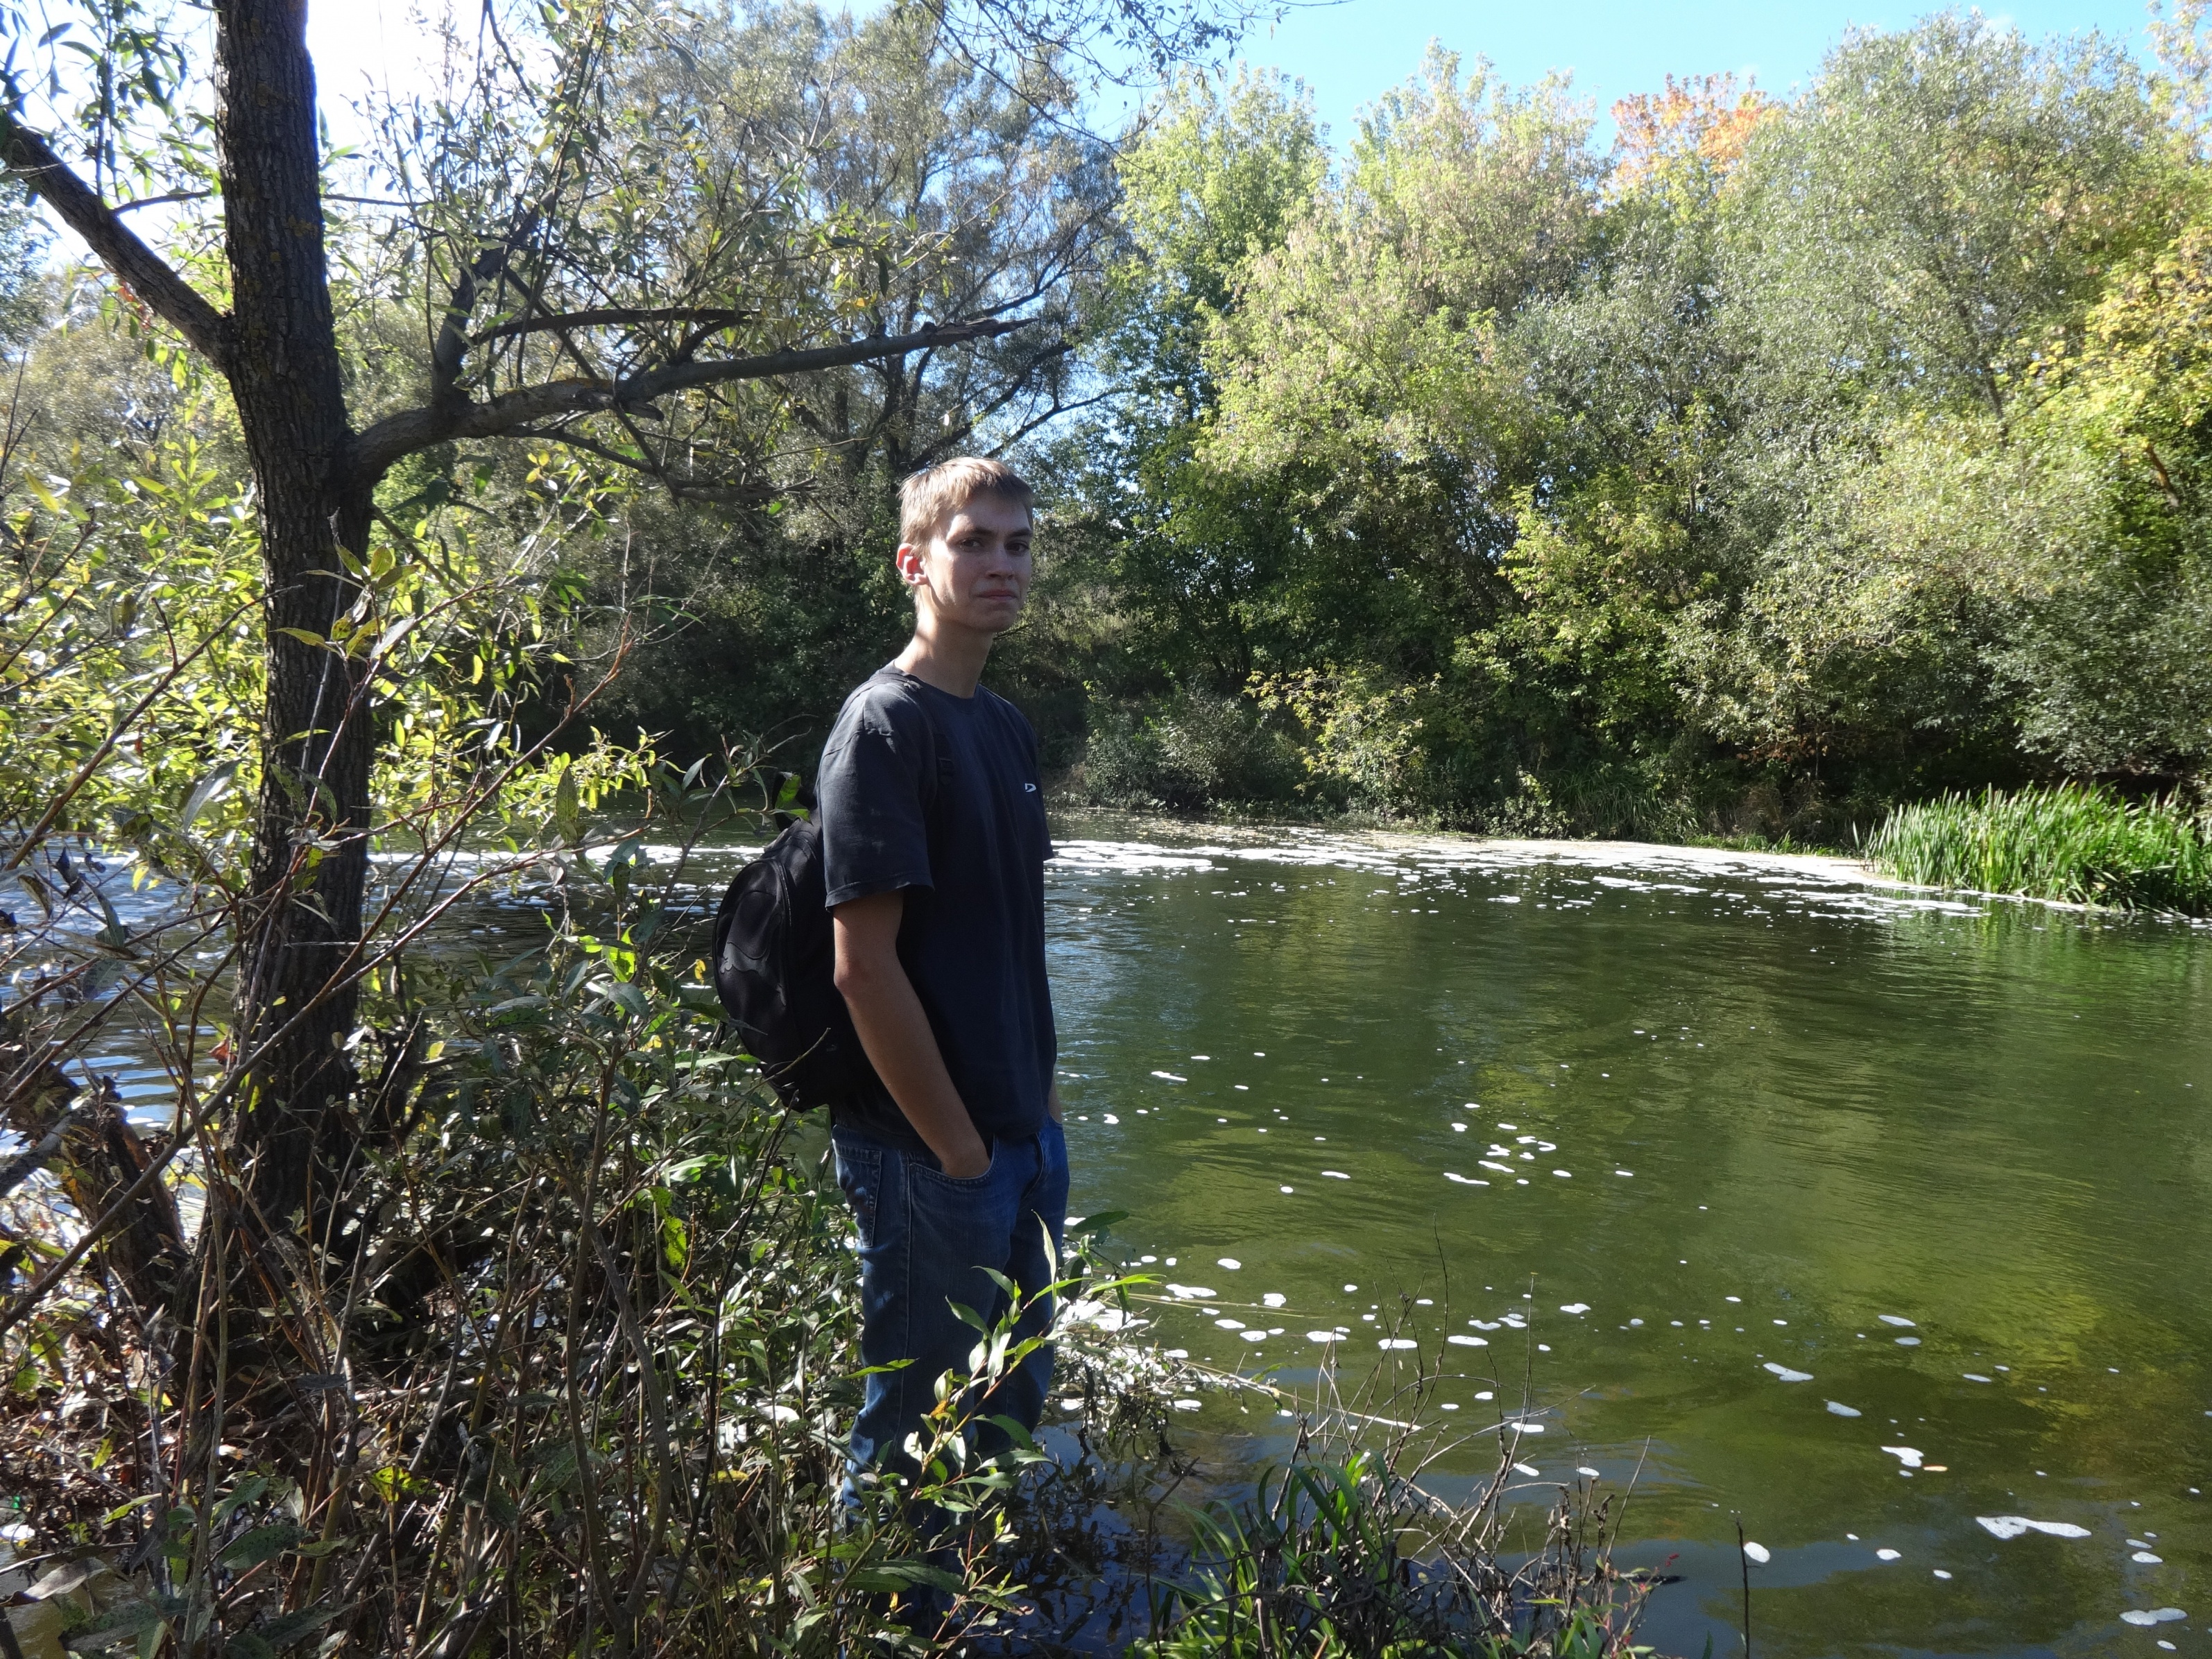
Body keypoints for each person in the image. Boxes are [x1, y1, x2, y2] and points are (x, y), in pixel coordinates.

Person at [815, 456, 1068, 1498]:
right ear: (914, 563)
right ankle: (883, 1585)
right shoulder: (887, 726)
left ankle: (974, 1587)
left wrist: (1042, 1113)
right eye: (973, 543)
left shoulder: (1003, 726)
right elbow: (863, 969)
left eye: (1018, 544)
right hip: (928, 1154)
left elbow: (1010, 936)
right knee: (912, 1429)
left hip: (1023, 1138)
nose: (1002, 564)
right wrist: (959, 1152)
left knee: (1006, 1404)